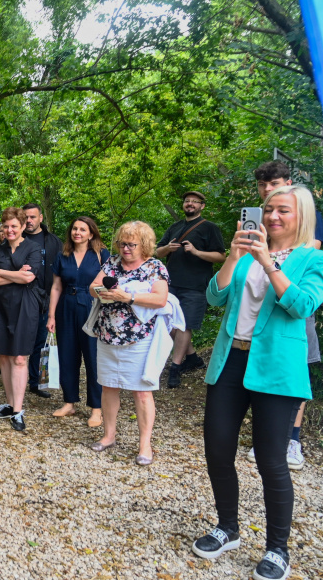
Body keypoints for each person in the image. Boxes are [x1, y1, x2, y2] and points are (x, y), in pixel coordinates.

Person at [191, 185, 323, 580]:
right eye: (268, 209)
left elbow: (301, 306)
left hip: (277, 369)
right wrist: (234, 256)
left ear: (300, 216)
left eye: (283, 210)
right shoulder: (245, 253)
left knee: (271, 461)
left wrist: (268, 262)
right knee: (216, 449)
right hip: (230, 361)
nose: (273, 217)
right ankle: (227, 527)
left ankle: (277, 549)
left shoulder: (311, 258)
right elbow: (215, 297)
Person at [244, 160, 323, 471]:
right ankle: (265, 435)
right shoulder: (262, 220)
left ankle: (292, 439)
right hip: (257, 312)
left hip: (293, 302)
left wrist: (270, 259)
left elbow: (307, 252)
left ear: (288, 182)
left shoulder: (307, 216)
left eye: (273, 183)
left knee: (295, 369)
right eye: (263, 186)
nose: (267, 190)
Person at [88, 221, 169, 465]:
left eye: (131, 244)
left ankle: (145, 444)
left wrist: (129, 297)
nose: (125, 249)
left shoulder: (155, 266)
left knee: (142, 392)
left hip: (139, 339)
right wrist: (103, 292)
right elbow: (92, 288)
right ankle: (109, 435)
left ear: (144, 244)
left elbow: (160, 299)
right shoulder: (111, 263)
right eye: (122, 243)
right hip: (107, 335)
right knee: (109, 386)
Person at [155, 191, 226, 388]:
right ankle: (193, 358)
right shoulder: (175, 227)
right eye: (187, 201)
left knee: (184, 325)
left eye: (195, 202)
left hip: (195, 285)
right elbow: (156, 252)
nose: (190, 204)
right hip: (170, 284)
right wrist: (167, 249)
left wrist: (196, 252)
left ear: (202, 206)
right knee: (169, 323)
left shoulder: (210, 228)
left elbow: (221, 256)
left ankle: (175, 368)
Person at [0, 208, 43, 431]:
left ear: (22, 226)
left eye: (14, 226)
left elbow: (29, 277)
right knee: (6, 357)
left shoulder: (33, 248)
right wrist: (13, 275)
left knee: (19, 357)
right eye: (6, 226)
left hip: (25, 306)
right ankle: (9, 404)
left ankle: (18, 410)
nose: (10, 230)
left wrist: (1, 272)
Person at [46, 217, 110, 427]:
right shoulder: (63, 256)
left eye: (83, 229)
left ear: (91, 234)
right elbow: (56, 287)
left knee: (93, 358)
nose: (77, 232)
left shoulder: (102, 255)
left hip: (92, 308)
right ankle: (69, 402)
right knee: (67, 356)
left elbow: (111, 284)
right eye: (74, 228)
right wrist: (52, 315)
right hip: (67, 306)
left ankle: (96, 408)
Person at [22, 203, 63, 399]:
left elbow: (63, 268)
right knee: (21, 340)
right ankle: (16, 378)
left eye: (32, 217)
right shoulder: (16, 238)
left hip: (45, 298)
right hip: (21, 297)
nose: (29, 221)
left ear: (40, 218)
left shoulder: (53, 241)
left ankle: (35, 381)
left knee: (40, 340)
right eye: (26, 217)